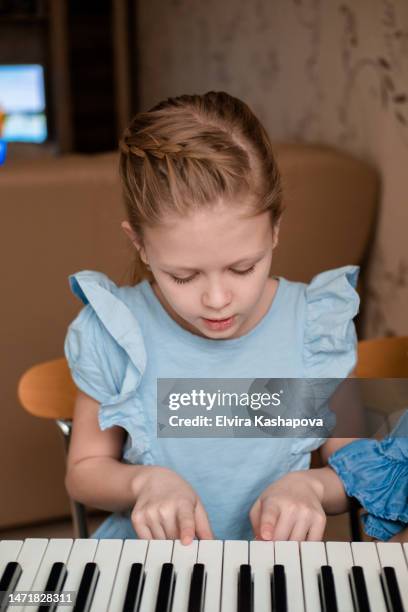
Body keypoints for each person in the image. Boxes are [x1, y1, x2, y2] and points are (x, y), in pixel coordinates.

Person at [64, 91, 359, 544]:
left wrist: (314, 486)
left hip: (272, 570)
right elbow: (84, 472)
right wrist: (143, 483)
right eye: (183, 277)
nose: (218, 299)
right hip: (151, 567)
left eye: (244, 268)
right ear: (140, 245)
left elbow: (363, 470)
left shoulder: (318, 328)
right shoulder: (115, 332)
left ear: (275, 229)